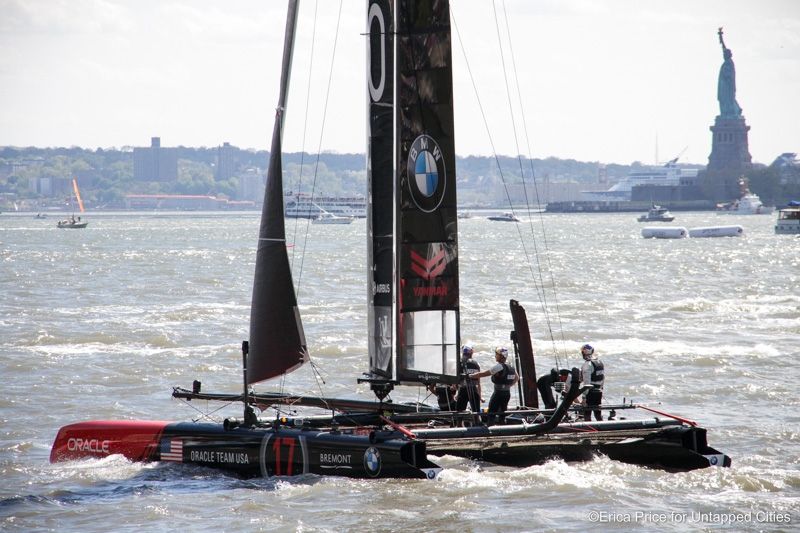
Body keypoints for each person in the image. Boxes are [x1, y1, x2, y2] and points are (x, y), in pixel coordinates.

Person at [470, 346, 518, 425]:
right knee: (503, 413)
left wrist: (471, 376)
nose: (495, 356)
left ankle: (490, 429)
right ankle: (503, 428)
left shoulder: (499, 366)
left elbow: (484, 374)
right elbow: (517, 378)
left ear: (501, 356)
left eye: (496, 354)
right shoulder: (511, 366)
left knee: (491, 413)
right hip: (507, 394)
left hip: (498, 393)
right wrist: (508, 386)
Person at [579, 344, 604, 421]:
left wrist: (584, 397)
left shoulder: (587, 365)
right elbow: (602, 378)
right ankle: (601, 427)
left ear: (584, 353)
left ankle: (589, 428)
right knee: (598, 414)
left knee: (587, 414)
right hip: (599, 391)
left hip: (590, 393)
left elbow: (587, 383)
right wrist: (601, 389)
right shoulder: (599, 362)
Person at [455, 345, 481, 414]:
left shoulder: (459, 363)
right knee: (476, 412)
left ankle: (459, 421)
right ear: (471, 353)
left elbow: (456, 381)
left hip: (463, 390)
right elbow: (478, 382)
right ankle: (477, 420)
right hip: (474, 390)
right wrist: (480, 396)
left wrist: (457, 393)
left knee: (459, 413)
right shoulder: (476, 364)